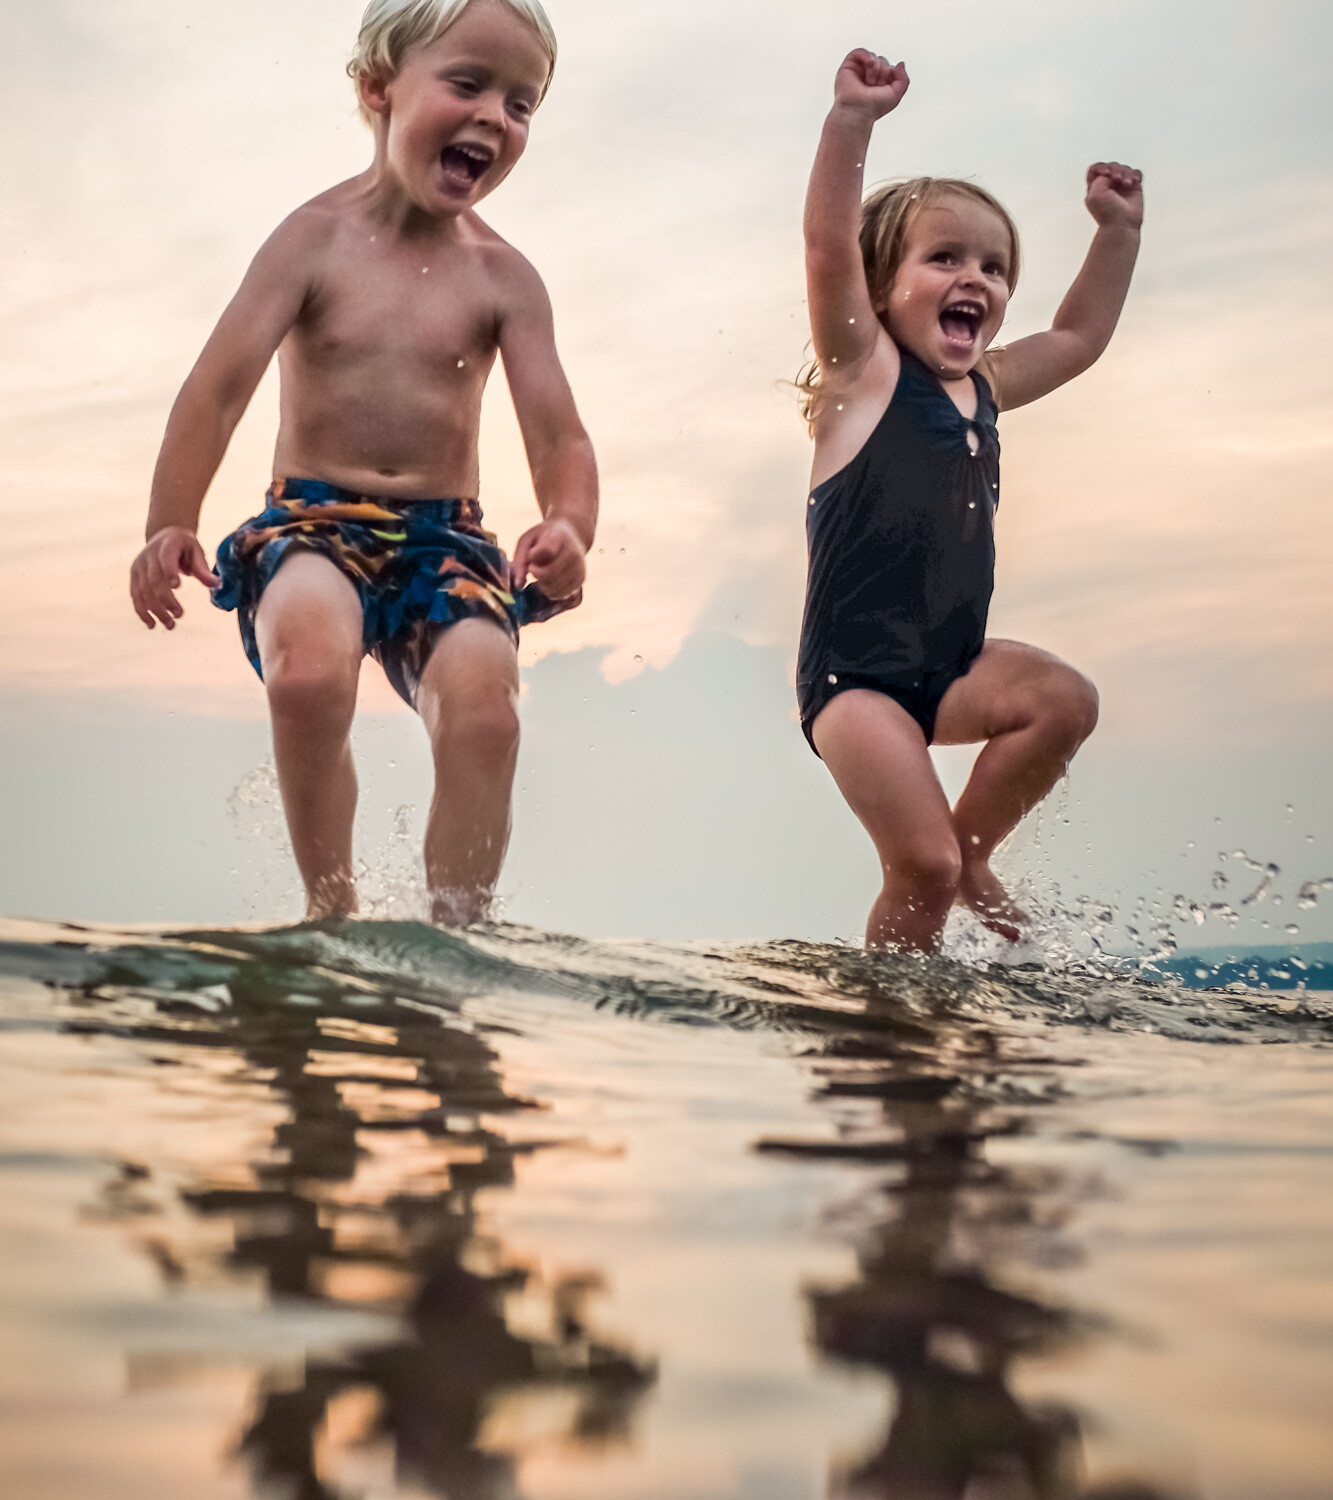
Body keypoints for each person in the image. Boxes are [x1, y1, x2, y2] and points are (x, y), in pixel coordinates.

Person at [129, 0, 596, 924]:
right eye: (467, 84)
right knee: (306, 675)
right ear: (378, 87)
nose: (496, 118)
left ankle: (460, 930)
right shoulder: (312, 240)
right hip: (311, 526)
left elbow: (558, 436)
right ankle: (329, 911)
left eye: (521, 103)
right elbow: (216, 390)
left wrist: (572, 523)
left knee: (488, 712)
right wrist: (168, 521)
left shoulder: (505, 279)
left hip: (444, 543)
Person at [797, 49, 1142, 952]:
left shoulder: (983, 384)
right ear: (879, 288)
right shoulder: (862, 375)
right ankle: (892, 1018)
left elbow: (1075, 335)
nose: (975, 280)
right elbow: (827, 245)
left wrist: (1116, 232)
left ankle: (977, 847)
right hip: (856, 682)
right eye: (943, 257)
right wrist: (852, 122)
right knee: (922, 868)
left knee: (1062, 699)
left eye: (992, 267)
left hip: (949, 665)